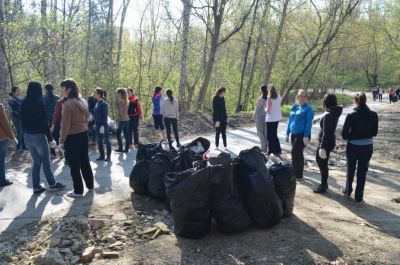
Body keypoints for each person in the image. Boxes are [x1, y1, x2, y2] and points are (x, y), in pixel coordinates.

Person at [21, 81, 65, 194]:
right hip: (38, 136)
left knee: (36, 161)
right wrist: (50, 139)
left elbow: (21, 121)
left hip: (27, 136)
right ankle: (52, 183)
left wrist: (22, 138)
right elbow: (44, 123)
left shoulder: (24, 102)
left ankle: (36, 186)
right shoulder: (39, 102)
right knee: (46, 161)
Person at [59, 79, 94, 198]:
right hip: (83, 135)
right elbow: (87, 118)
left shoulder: (67, 105)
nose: (61, 91)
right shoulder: (83, 101)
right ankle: (90, 184)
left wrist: (61, 141)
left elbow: (65, 125)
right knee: (85, 161)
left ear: (68, 89)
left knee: (74, 165)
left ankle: (78, 191)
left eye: (62, 88)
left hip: (72, 137)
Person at [342, 92, 378, 203]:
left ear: (355, 101)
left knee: (350, 169)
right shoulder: (373, 114)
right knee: (362, 171)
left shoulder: (351, 115)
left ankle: (348, 191)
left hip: (353, 146)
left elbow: (344, 134)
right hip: (367, 147)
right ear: (365, 100)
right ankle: (359, 197)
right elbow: (375, 132)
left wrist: (350, 136)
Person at [314, 94, 343, 193]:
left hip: (325, 142)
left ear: (325, 102)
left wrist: (322, 147)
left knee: (322, 163)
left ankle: (323, 185)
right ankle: (324, 184)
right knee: (323, 163)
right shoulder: (333, 111)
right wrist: (318, 119)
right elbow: (327, 118)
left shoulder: (328, 115)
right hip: (330, 141)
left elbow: (326, 132)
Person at [286, 90, 315, 179]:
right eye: (300, 96)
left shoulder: (308, 109)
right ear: (297, 97)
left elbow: (308, 123)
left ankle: (299, 174)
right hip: (294, 134)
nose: (302, 98)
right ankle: (295, 172)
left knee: (295, 152)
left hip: (303, 135)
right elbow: (290, 120)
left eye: (304, 96)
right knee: (297, 154)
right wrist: (287, 133)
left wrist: (306, 136)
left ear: (306, 98)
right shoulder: (294, 107)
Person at [0, 104, 18, 187]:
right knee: (1, 160)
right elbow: (5, 122)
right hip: (1, 137)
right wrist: (12, 137)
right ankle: (2, 180)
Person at [43, 83, 61, 158]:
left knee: (50, 137)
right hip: (58, 119)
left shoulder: (44, 98)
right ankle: (61, 152)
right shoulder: (58, 97)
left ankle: (53, 153)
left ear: (46, 89)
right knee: (58, 136)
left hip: (48, 120)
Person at [93, 88, 111, 161]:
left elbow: (104, 115)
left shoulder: (104, 103)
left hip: (103, 125)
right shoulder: (97, 103)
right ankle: (102, 156)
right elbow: (97, 115)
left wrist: (103, 126)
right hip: (97, 125)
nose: (93, 94)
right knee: (99, 141)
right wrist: (95, 123)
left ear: (99, 94)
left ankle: (108, 156)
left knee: (106, 141)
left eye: (95, 93)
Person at [265, 84, 282, 155]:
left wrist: (264, 108)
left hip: (270, 118)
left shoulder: (269, 97)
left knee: (269, 136)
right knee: (274, 135)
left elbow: (268, 110)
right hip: (277, 118)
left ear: (269, 90)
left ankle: (271, 151)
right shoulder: (279, 97)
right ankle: (278, 150)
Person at [8, 86, 25, 152]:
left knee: (23, 131)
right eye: (17, 91)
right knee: (19, 132)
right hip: (16, 117)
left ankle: (23, 146)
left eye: (19, 91)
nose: (19, 92)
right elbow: (15, 109)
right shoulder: (11, 99)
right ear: (13, 92)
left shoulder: (20, 98)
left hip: (21, 117)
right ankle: (18, 147)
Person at [254, 85, 268, 153]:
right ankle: (267, 147)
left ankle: (263, 147)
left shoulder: (261, 98)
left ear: (261, 90)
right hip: (266, 117)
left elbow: (258, 108)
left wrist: (254, 115)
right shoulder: (268, 98)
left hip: (259, 117)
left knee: (260, 133)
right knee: (265, 133)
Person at [115, 88, 130, 152]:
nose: (117, 94)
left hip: (122, 120)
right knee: (126, 134)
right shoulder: (127, 100)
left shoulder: (120, 101)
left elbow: (120, 112)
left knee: (118, 133)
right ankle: (126, 148)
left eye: (118, 93)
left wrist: (118, 119)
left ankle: (120, 148)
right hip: (127, 119)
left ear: (120, 93)